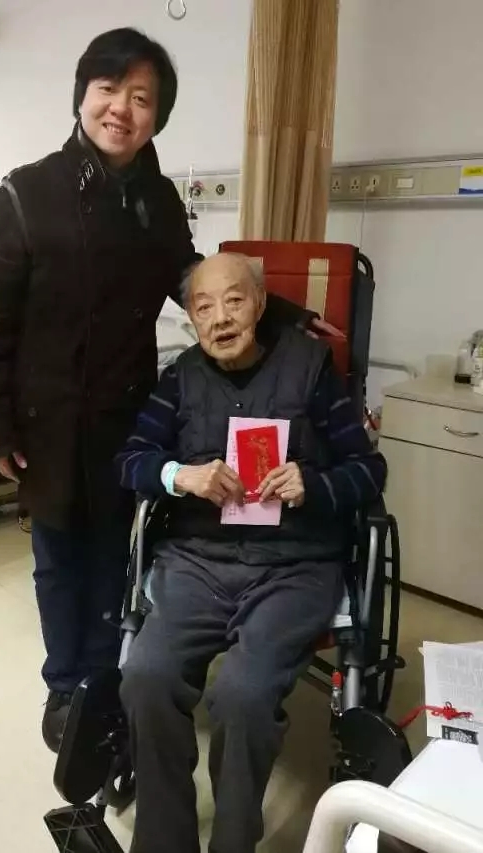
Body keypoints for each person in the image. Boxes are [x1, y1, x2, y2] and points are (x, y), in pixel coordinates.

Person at [0, 27, 339, 754]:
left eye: (141, 98)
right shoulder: (26, 193)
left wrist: (281, 313)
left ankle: (109, 683)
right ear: (82, 96)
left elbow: (191, 277)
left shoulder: (157, 199)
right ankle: (66, 688)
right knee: (59, 559)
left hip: (125, 412)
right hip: (46, 421)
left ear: (157, 116)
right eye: (108, 90)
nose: (121, 109)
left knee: (118, 554)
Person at [115, 252, 387, 853]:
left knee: (243, 693)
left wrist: (314, 484)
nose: (220, 318)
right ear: (192, 318)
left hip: (294, 564)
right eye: (203, 307)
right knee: (146, 676)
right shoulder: (181, 377)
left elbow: (368, 470)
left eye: (234, 300)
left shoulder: (310, 369)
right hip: (197, 560)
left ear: (260, 305)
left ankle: (233, 844)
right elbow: (130, 459)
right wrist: (179, 475)